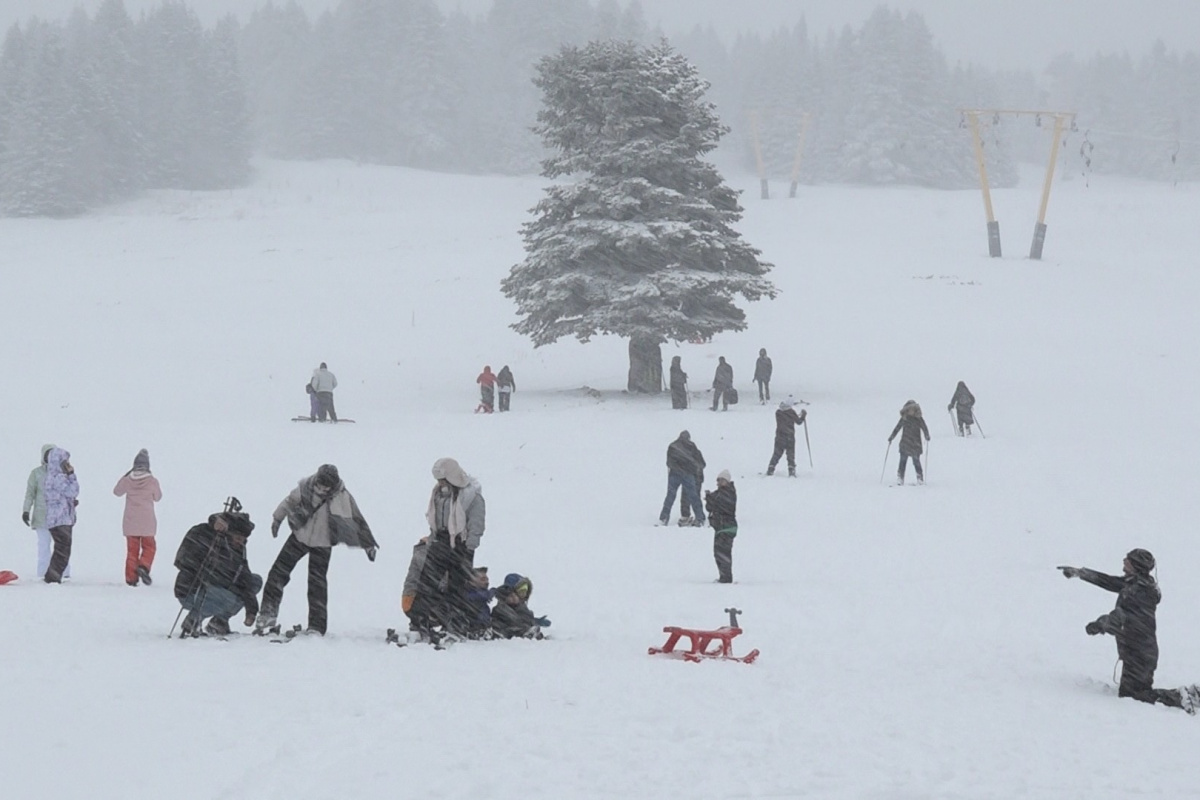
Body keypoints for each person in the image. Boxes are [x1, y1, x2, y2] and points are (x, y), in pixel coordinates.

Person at [1059, 550, 1199, 713]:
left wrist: (1099, 625)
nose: (1124, 561)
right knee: (1135, 692)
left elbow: (1120, 617)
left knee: (1135, 696)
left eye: (1129, 560)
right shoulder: (1139, 584)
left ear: (1137, 566)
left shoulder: (1137, 592)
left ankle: (1180, 697)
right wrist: (1081, 573)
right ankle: (1189, 695)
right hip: (1139, 650)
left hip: (1139, 653)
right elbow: (1110, 581)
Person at [261, 464, 378, 635]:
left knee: (317, 584)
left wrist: (368, 545)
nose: (322, 489)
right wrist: (276, 520)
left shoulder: (342, 496)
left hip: (323, 543)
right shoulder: (305, 487)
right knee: (277, 573)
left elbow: (357, 520)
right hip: (299, 536)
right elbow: (288, 502)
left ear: (334, 484)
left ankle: (316, 626)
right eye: (321, 484)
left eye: (326, 486)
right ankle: (267, 615)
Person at [417, 457, 486, 635]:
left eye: (442, 480)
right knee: (427, 581)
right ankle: (423, 619)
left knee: (457, 586)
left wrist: (469, 547)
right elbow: (435, 518)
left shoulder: (471, 497)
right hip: (439, 542)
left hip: (460, 545)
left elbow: (476, 523)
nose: (439, 483)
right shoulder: (438, 495)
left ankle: (456, 622)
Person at [174, 510, 262, 638]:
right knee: (229, 599)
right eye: (237, 538)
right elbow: (185, 560)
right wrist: (215, 521)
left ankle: (219, 622)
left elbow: (245, 579)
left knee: (255, 581)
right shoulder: (207, 535)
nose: (240, 542)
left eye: (243, 540)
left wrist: (251, 609)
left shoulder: (238, 550)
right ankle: (193, 619)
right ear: (228, 533)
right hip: (191, 589)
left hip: (216, 588)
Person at [112, 448, 162, 587]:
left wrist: (125, 475)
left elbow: (116, 492)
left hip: (130, 520)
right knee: (150, 546)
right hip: (147, 520)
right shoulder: (152, 481)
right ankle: (144, 565)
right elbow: (158, 497)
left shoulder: (128, 480)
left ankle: (131, 578)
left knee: (132, 550)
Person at [22, 444, 68, 580]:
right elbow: (30, 493)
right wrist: (26, 510)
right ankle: (42, 572)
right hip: (42, 516)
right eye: (48, 454)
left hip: (60, 516)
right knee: (43, 545)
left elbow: (68, 491)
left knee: (62, 546)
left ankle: (63, 572)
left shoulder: (63, 472)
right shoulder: (36, 473)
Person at [42, 447, 79, 584]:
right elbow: (73, 491)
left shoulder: (50, 476)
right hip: (61, 519)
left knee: (60, 547)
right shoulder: (59, 477)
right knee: (63, 549)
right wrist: (72, 475)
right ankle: (52, 577)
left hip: (56, 518)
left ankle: (52, 575)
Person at [658, 431, 705, 527]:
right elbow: (698, 462)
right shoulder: (691, 446)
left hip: (674, 475)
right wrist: (691, 469)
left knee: (670, 497)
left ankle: (664, 518)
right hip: (687, 474)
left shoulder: (673, 446)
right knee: (694, 496)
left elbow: (668, 463)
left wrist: (677, 467)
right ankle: (700, 518)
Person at [491, 573, 550, 639]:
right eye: (521, 592)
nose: (523, 596)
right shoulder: (501, 610)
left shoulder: (521, 607)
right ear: (510, 593)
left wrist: (536, 621)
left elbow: (523, 618)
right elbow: (514, 624)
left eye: (525, 592)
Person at [704, 470, 738, 583]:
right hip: (721, 528)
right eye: (718, 480)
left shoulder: (728, 493)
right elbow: (710, 507)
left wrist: (710, 498)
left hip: (726, 527)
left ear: (727, 481)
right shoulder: (720, 493)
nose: (719, 482)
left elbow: (721, 504)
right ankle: (724, 576)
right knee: (718, 552)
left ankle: (726, 578)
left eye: (721, 480)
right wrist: (709, 499)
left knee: (722, 553)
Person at [888, 400, 930, 485]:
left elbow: (924, 427)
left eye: (913, 409)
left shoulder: (919, 419)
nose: (911, 411)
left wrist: (927, 435)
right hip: (905, 443)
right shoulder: (904, 419)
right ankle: (900, 477)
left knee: (916, 461)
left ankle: (920, 477)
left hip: (915, 444)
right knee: (902, 461)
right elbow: (897, 428)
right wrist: (891, 437)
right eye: (909, 409)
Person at [766, 397, 807, 477]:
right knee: (790, 454)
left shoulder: (778, 412)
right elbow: (798, 422)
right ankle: (791, 471)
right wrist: (803, 415)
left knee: (777, 454)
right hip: (790, 436)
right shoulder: (791, 412)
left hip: (779, 436)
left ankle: (770, 469)